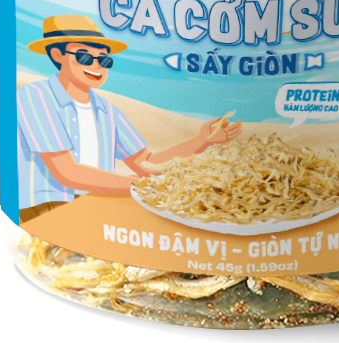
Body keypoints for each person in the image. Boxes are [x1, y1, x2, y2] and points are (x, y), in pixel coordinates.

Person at [16, 15, 241, 224]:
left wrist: (201, 141)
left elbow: (147, 164)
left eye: (104, 60)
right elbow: (67, 172)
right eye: (85, 57)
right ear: (57, 55)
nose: (97, 66)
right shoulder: (36, 96)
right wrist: (146, 186)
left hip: (94, 211)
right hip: (44, 213)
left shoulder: (107, 111)